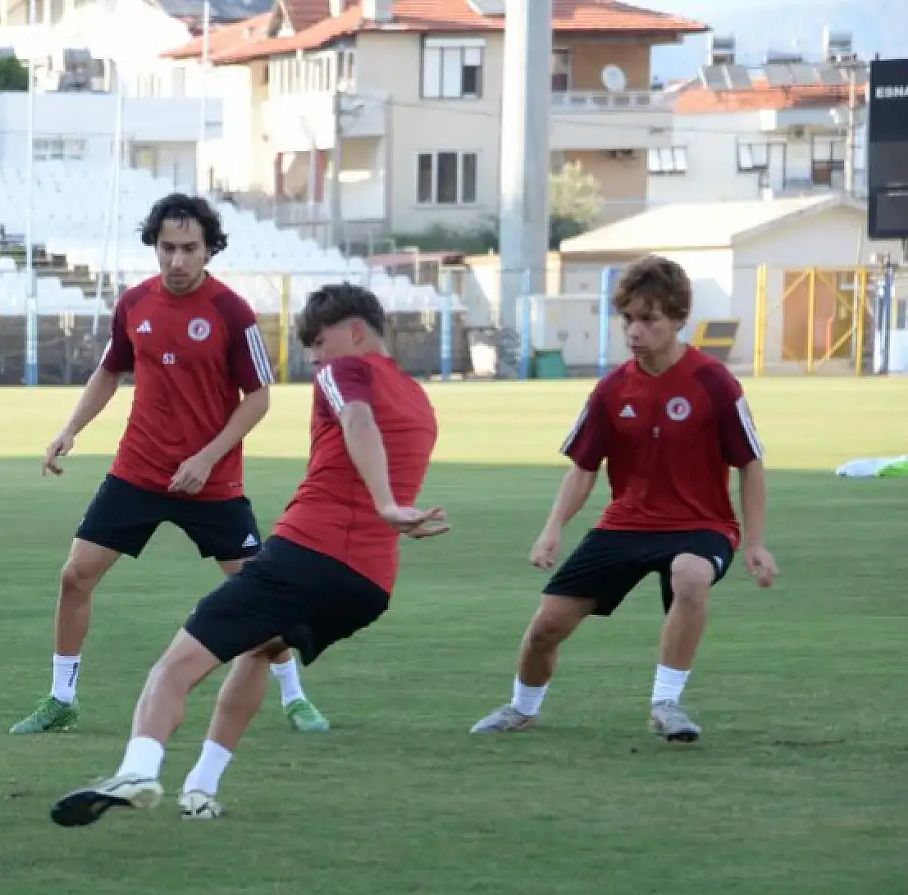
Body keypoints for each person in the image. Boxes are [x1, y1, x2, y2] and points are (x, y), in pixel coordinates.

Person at [50, 283, 447, 827]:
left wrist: (383, 503)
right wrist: (396, 511)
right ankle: (202, 786)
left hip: (306, 556)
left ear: (355, 333)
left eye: (318, 341)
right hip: (369, 586)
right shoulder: (420, 400)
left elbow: (357, 421)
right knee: (261, 648)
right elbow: (382, 450)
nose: (313, 357)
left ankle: (138, 769)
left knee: (174, 667)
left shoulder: (345, 372)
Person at [10, 192, 332, 737]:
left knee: (259, 592)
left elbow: (259, 397)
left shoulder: (231, 311)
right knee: (75, 575)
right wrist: (70, 429)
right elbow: (110, 372)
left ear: (209, 249)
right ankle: (62, 698)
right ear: (153, 247)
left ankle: (295, 698)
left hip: (212, 482)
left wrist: (207, 459)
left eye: (189, 248)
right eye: (167, 248)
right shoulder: (135, 303)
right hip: (138, 471)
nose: (177, 260)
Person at [469, 254, 777, 743]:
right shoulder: (612, 389)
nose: (635, 331)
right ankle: (522, 709)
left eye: (649, 319)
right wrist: (552, 529)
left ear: (677, 320)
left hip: (701, 525)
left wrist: (756, 544)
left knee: (690, 575)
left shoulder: (713, 383)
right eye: (628, 318)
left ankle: (666, 703)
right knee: (546, 626)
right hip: (626, 526)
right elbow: (584, 469)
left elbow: (750, 463)